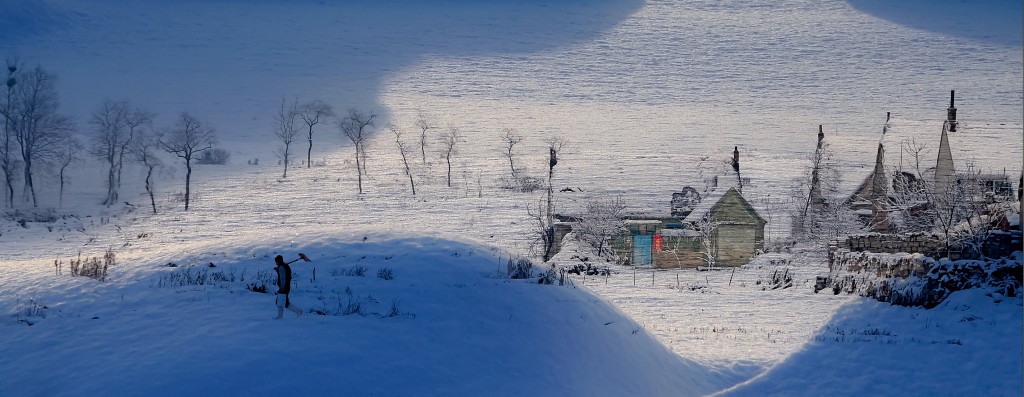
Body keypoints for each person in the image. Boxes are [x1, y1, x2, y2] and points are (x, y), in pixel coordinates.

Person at [273, 255, 303, 319]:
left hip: (283, 288)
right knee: (282, 302)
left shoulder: (282, 267)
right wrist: (278, 270)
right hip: (286, 287)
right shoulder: (286, 266)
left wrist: (281, 288)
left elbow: (283, 278)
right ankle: (280, 316)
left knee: (280, 302)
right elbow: (285, 274)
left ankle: (298, 311)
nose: (275, 263)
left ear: (278, 261)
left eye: (276, 262)